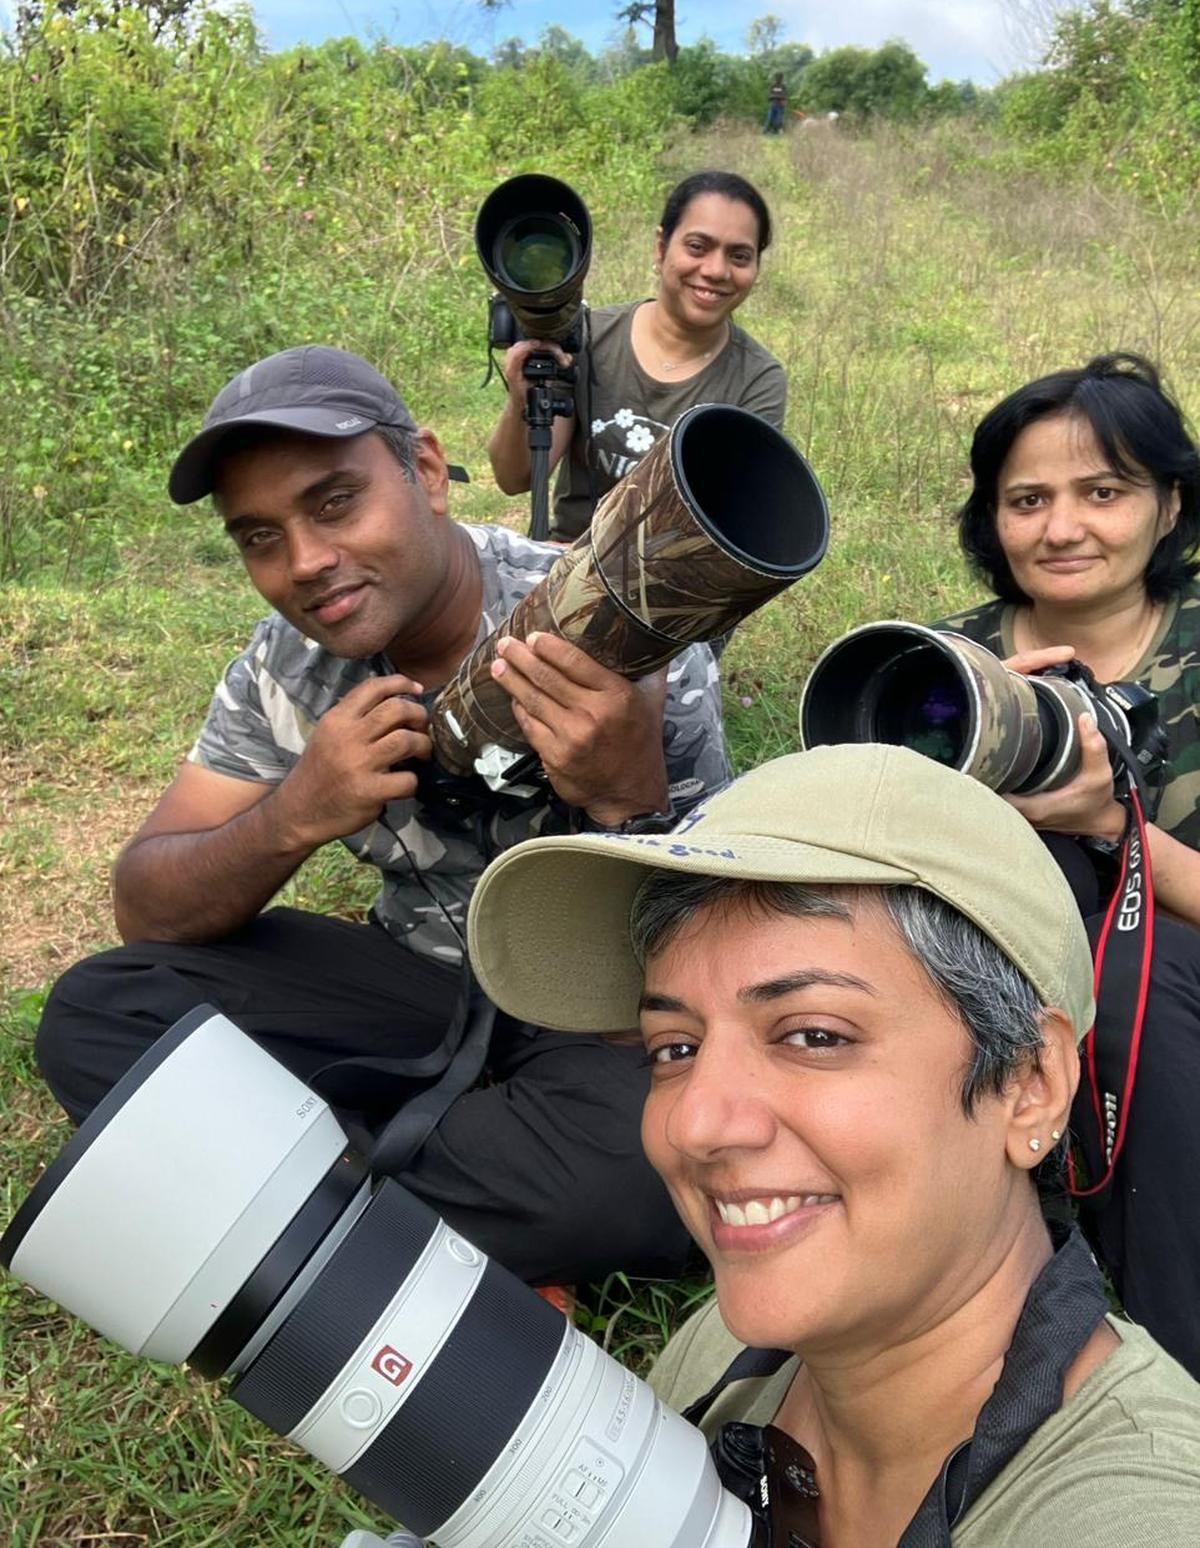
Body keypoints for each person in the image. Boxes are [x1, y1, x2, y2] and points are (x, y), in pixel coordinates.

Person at [33, 344, 732, 1287]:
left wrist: (626, 800)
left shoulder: (619, 628)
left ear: (429, 474)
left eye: (333, 503)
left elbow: (725, 945)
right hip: (418, 989)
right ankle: (455, 1206)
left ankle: (305, 1202)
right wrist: (293, 813)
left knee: (626, 1181)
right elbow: (148, 905)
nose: (307, 563)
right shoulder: (287, 667)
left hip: (596, 1012)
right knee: (95, 1011)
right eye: (259, 537)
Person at [465, 744, 1200, 1543]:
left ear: (1031, 1083)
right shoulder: (724, 1355)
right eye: (673, 1047)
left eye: (813, 1035)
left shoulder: (1140, 1512)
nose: (696, 1125)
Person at [936, 350, 1200, 1374]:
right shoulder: (945, 667)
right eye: (1027, 499)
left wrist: (1117, 831)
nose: (1061, 528)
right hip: (991, 993)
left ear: (1170, 505)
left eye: (1104, 492)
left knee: (1135, 968)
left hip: (1161, 1005)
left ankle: (1177, 1369)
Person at [487, 169, 787, 542]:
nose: (715, 270)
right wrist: (521, 399)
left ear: (756, 267)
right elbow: (514, 478)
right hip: (566, 560)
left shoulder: (757, 379)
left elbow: (725, 524)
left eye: (739, 256)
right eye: (697, 247)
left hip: (672, 580)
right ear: (661, 247)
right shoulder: (590, 337)